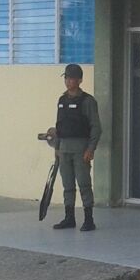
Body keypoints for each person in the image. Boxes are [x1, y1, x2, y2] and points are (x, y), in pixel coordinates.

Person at [49, 64, 102, 232]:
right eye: (66, 78)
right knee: (67, 185)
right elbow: (59, 126)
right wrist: (57, 147)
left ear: (79, 80)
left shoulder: (88, 101)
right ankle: (69, 217)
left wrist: (90, 148)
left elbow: (96, 127)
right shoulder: (62, 100)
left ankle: (88, 219)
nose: (68, 81)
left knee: (84, 184)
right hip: (64, 148)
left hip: (80, 147)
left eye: (71, 78)